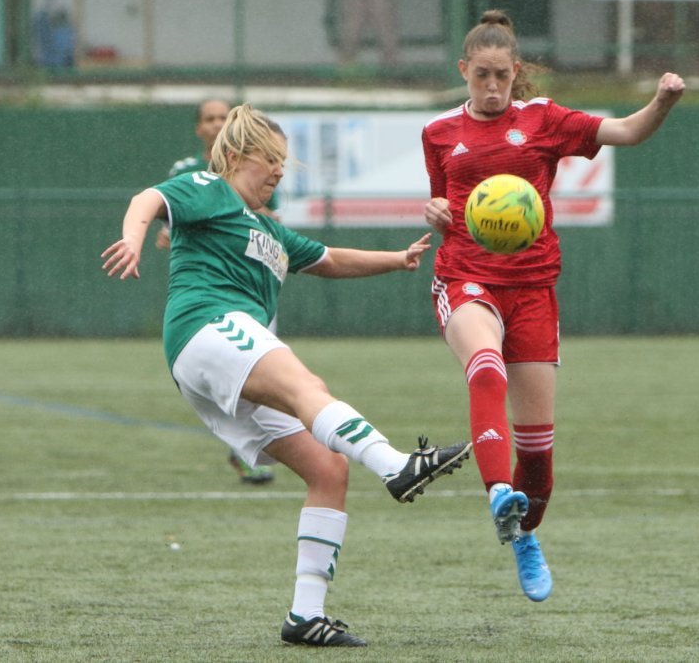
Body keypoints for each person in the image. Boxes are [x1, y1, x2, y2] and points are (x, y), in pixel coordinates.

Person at [102, 104, 471, 647]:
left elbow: (328, 258)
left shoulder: (266, 228)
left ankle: (305, 615)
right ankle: (397, 465)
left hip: (215, 354)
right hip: (206, 325)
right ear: (233, 156)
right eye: (269, 159)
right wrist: (133, 237)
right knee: (308, 389)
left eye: (283, 161)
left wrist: (396, 259)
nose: (278, 170)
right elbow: (148, 200)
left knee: (329, 468)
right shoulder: (211, 188)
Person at [421, 10, 685, 603]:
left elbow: (627, 131)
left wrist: (662, 101)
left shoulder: (545, 120)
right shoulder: (439, 132)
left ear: (517, 73)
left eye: (502, 77)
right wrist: (434, 212)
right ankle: (495, 492)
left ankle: (522, 534)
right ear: (463, 70)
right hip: (466, 277)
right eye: (480, 75)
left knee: (537, 459)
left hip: (534, 289)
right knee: (483, 364)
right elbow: (441, 205)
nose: (491, 88)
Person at [165, 99, 281, 485]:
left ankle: (251, 447)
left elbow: (268, 219)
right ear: (199, 129)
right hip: (211, 287)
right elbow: (167, 215)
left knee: (263, 372)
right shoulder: (188, 172)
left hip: (252, 281)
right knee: (234, 371)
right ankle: (247, 448)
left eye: (223, 118)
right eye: (209, 119)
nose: (216, 124)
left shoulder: (257, 166)